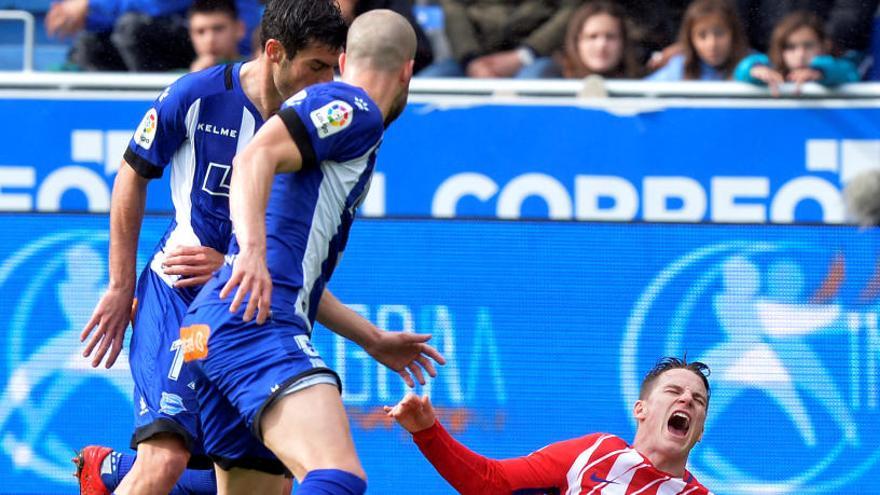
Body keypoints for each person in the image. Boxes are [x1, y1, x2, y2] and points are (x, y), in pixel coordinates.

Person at [73, 1, 348, 494]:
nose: (326, 83)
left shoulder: (317, 132)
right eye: (315, 67)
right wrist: (119, 286)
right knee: (165, 458)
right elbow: (130, 177)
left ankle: (112, 472)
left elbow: (296, 269)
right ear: (274, 52)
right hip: (176, 296)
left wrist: (234, 267)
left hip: (247, 311)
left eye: (334, 67)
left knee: (257, 478)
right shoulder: (196, 96)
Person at [177, 9, 427, 495]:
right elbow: (254, 155)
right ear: (407, 71)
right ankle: (119, 475)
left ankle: (123, 476)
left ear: (346, 56)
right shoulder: (353, 107)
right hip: (254, 324)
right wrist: (249, 250)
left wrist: (371, 338)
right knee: (338, 478)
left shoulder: (335, 116)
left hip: (209, 330)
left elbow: (290, 265)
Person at [386, 357, 714, 494]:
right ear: (640, 409)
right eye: (674, 391)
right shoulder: (596, 453)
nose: (686, 400)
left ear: (698, 433)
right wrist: (427, 431)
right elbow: (491, 482)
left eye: (698, 400)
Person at [419, 0, 580, 78]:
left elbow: (570, 9)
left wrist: (525, 55)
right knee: (427, 84)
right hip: (472, 57)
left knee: (531, 84)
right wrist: (471, 61)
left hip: (539, 56)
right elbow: (453, 7)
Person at [734, 11, 859, 95]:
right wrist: (754, 70)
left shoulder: (834, 68)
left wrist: (820, 72)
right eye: (790, 47)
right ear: (780, 50)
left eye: (808, 45)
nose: (800, 54)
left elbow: (849, 73)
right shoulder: (772, 69)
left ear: (824, 45)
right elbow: (741, 70)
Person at [647, 0, 749, 81]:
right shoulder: (679, 68)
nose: (712, 44)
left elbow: (759, 69)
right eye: (702, 36)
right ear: (690, 39)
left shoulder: (750, 64)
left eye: (719, 33)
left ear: (733, 34)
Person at [336, 0, 435, 73]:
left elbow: (422, 52)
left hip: (393, 72)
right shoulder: (325, 8)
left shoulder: (389, 4)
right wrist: (340, 17)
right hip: (346, 71)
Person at [552, 1, 642, 79]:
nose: (601, 45)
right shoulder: (551, 81)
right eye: (592, 36)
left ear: (623, 42)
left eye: (610, 37)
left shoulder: (644, 86)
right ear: (576, 42)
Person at [189, 0, 247, 73]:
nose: (210, 40)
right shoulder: (174, 80)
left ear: (239, 29)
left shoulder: (258, 71)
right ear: (190, 35)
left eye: (218, 29)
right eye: (201, 31)